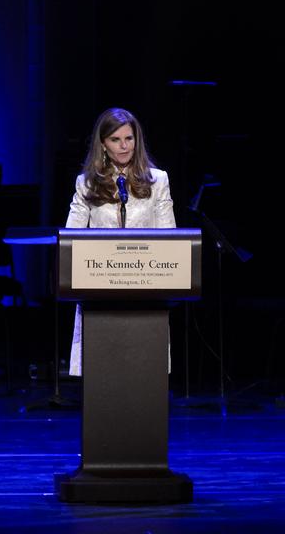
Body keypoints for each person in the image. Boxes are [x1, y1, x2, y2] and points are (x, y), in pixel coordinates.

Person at [65, 107, 175, 375]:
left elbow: (170, 237)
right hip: (100, 287)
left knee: (143, 370)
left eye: (129, 138)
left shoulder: (157, 180)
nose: (124, 146)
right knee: (104, 373)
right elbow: (71, 237)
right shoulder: (87, 184)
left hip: (147, 286)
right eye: (115, 140)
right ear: (103, 144)